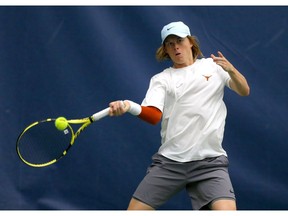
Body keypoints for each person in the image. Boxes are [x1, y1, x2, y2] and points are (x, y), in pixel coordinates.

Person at [108, 21, 250, 210]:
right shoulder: (162, 79)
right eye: (169, 43)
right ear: (165, 49)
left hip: (210, 163)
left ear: (190, 42)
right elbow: (153, 116)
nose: (175, 46)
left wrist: (232, 70)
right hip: (170, 163)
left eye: (179, 40)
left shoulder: (214, 66)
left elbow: (244, 90)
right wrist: (129, 106)